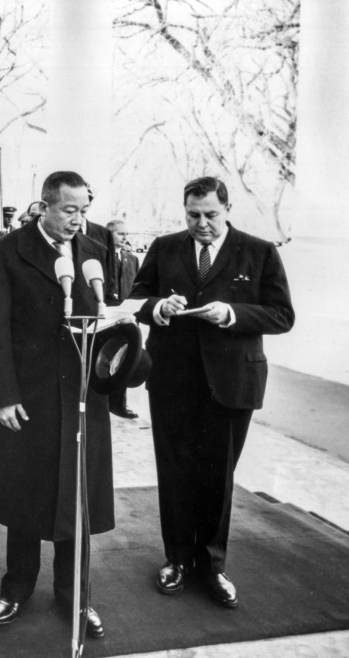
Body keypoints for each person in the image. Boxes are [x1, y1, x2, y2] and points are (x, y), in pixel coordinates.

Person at [130, 176, 294, 609]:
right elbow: (137, 296)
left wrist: (232, 313)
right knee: (175, 472)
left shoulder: (259, 251)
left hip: (230, 383)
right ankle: (177, 560)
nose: (201, 224)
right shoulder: (165, 247)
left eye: (210, 216)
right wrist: (157, 308)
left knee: (217, 477)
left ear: (227, 208)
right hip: (171, 379)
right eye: (192, 215)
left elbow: (282, 315)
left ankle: (212, 566)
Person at [0, 171, 112, 638]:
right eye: (69, 210)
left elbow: (102, 320)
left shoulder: (95, 251)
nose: (78, 220)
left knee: (78, 498)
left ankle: (76, 597)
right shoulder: (2, 254)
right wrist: (1, 397)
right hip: (26, 397)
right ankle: (16, 588)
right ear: (45, 205)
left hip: (79, 398)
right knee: (25, 494)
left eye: (84, 211)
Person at [106, 218, 141, 419]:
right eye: (121, 233)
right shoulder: (102, 256)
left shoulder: (132, 259)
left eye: (126, 234)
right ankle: (104, 403)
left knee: (125, 359)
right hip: (107, 316)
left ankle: (119, 405)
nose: (125, 237)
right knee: (105, 358)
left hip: (127, 316)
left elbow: (136, 288)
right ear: (110, 234)